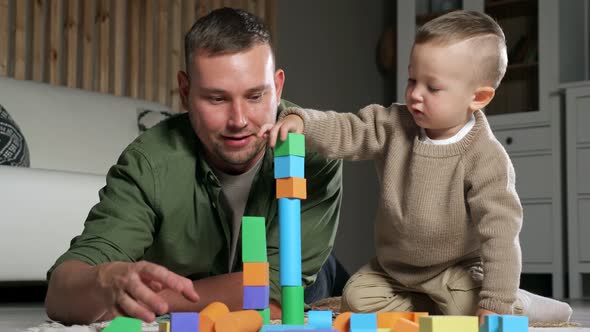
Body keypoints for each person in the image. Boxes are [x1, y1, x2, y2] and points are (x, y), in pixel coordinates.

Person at [259, 10, 572, 324]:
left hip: (455, 272)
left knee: (481, 309)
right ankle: (429, 305)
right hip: (396, 272)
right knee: (355, 300)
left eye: (432, 88)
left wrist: (496, 302)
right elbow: (350, 129)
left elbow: (500, 235)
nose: (415, 95)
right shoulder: (395, 125)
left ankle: (520, 301)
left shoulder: (486, 158)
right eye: (412, 80)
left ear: (478, 97)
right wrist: (304, 122)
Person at [45, 7, 343, 325]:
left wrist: (154, 300)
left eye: (256, 96)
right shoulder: (148, 163)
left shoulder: (315, 151)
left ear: (278, 87)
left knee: (324, 293)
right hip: (206, 293)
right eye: (217, 99)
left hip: (313, 280)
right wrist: (106, 282)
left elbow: (277, 296)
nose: (239, 121)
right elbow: (60, 296)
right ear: (185, 91)